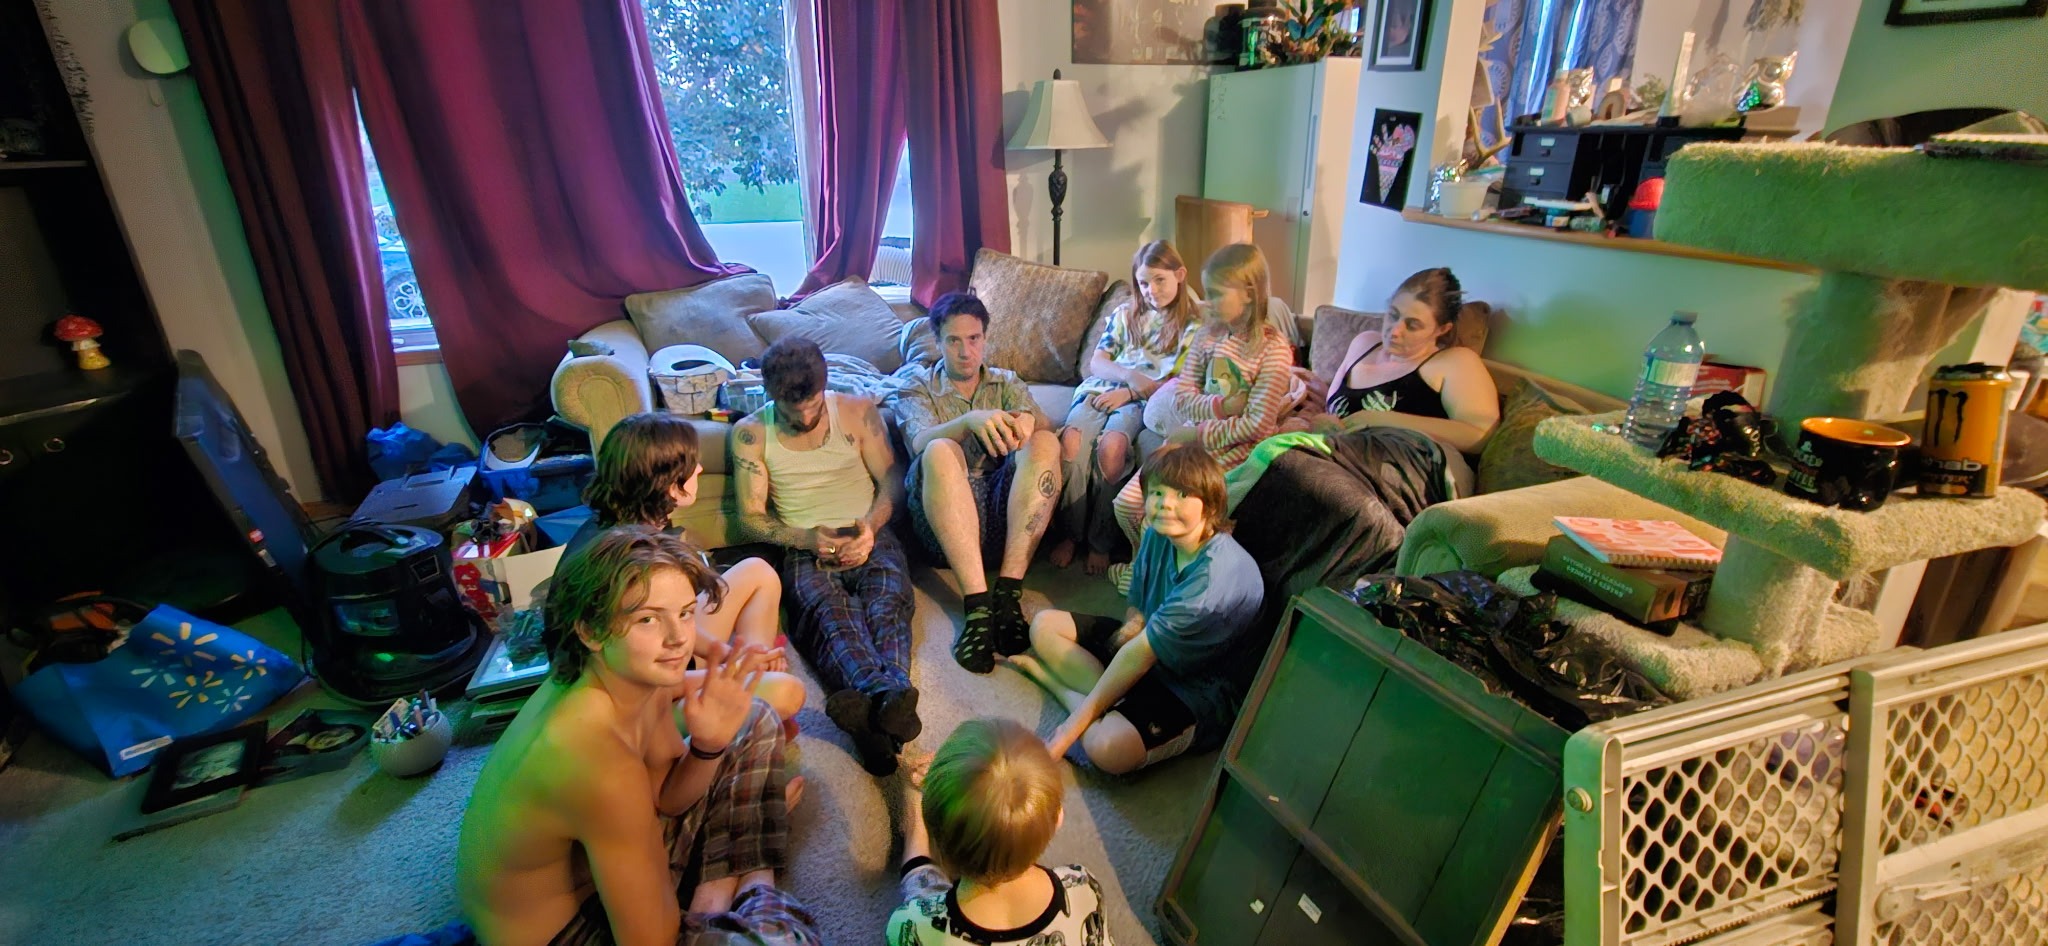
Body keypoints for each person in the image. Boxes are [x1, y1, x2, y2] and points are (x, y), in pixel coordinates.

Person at [456, 527, 819, 946]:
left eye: (685, 613)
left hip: (606, 869)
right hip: (572, 931)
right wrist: (752, 819)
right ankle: (754, 878)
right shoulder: (596, 761)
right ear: (590, 631)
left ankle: (715, 893)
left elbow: (668, 798)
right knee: (787, 940)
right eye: (647, 619)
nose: (678, 639)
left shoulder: (629, 673)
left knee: (752, 715)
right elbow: (651, 941)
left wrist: (709, 746)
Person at [731, 337, 919, 776]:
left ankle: (872, 718)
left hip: (867, 532)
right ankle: (888, 701)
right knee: (830, 615)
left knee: (888, 604)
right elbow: (750, 519)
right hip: (804, 544)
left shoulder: (856, 411)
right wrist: (804, 538)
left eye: (812, 404)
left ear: (825, 385)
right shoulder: (750, 434)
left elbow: (892, 480)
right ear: (769, 392)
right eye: (790, 408)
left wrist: (870, 528)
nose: (803, 417)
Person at [1014, 444, 1264, 774]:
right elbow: (1137, 605)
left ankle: (1061, 688)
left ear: (1210, 503)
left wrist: (1065, 735)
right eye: (1157, 492)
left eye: (1182, 494)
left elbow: (1141, 653)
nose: (1165, 504)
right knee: (1044, 625)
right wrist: (1133, 623)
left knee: (1106, 748)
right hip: (1149, 646)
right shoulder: (1159, 534)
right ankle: (1114, 701)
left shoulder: (1215, 577)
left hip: (1197, 688)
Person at [561, 413, 805, 723]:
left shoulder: (629, 520)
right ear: (666, 483)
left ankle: (755, 667)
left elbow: (675, 629)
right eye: (691, 465)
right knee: (786, 692)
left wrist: (732, 657)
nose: (700, 469)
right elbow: (646, 677)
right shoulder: (630, 562)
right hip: (633, 702)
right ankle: (745, 697)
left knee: (758, 571)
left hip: (657, 661)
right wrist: (727, 673)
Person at [890, 292, 1063, 675]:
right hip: (943, 527)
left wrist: (1029, 421)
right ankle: (978, 608)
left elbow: (1042, 423)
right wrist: (968, 421)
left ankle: (1008, 594)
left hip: (1003, 520)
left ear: (985, 338)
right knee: (939, 448)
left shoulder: (1006, 382)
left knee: (1046, 442)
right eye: (953, 340)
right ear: (938, 341)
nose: (965, 351)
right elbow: (918, 440)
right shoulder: (915, 383)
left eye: (974, 339)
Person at [1108, 244, 1295, 578]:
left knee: (1161, 520)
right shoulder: (1207, 335)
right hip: (1188, 443)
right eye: (1207, 293)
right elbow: (1182, 397)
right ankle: (1143, 569)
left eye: (1217, 294)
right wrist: (1222, 406)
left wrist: (1197, 433)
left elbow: (1257, 425)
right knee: (1126, 506)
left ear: (1249, 293)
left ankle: (1153, 580)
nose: (1208, 302)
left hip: (1232, 454)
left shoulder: (1273, 349)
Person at [1049, 240, 1200, 577]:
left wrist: (1131, 393)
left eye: (1159, 280)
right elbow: (1098, 362)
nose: (1151, 290)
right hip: (1102, 388)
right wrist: (1129, 378)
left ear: (1180, 275)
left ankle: (1100, 540)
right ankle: (1070, 533)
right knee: (1071, 442)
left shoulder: (1194, 328)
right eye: (1143, 283)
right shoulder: (1125, 314)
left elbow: (1179, 381)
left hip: (1143, 400)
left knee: (1113, 448)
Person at [888, 719, 1110, 946]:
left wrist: (926, 794)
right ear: (1058, 819)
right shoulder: (1083, 885)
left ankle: (913, 797)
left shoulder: (913, 926)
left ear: (937, 838)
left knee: (923, 887)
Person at [1319, 267, 1499, 453]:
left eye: (1413, 325)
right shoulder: (1363, 343)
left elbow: (1479, 435)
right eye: (1393, 315)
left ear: (1442, 329)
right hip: (1329, 453)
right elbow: (1330, 411)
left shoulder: (1455, 362)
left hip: (1389, 463)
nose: (1395, 331)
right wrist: (1323, 422)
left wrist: (1383, 420)